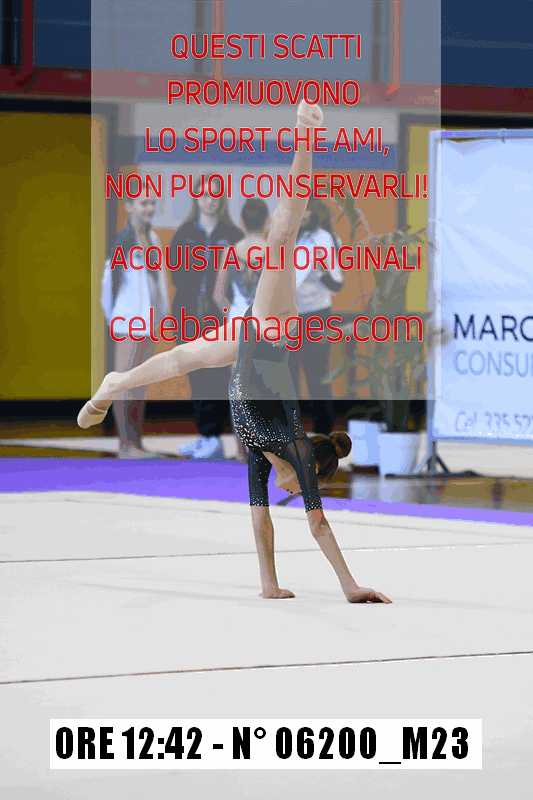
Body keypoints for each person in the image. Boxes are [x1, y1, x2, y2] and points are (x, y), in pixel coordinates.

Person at [78, 102, 391, 605]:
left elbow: (260, 519)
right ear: (307, 469)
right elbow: (319, 526)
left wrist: (269, 584)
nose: (294, 491)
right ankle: (305, 136)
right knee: (283, 236)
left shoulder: (262, 457)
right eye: (300, 486)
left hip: (249, 344)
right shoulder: (294, 449)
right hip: (270, 331)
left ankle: (115, 383)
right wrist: (350, 586)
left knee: (182, 358)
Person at [169, 181, 242, 460]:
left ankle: (217, 435)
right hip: (188, 315)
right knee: (195, 373)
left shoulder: (232, 234)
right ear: (197, 199)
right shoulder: (185, 233)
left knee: (219, 375)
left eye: (216, 196)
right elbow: (176, 274)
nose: (210, 201)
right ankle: (206, 435)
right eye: (205, 195)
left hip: (219, 318)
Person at [101, 194, 169, 458]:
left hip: (148, 321)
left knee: (140, 384)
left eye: (152, 203)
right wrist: (116, 318)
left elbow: (158, 281)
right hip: (127, 322)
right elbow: (109, 285)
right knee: (124, 383)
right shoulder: (123, 242)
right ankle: (125, 444)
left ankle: (137, 442)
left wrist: (161, 314)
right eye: (143, 203)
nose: (149, 208)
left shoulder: (153, 239)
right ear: (129, 207)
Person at [293, 198, 343, 436]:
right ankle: (291, 434)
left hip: (316, 315)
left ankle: (323, 433)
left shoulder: (324, 238)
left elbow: (336, 285)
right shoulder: (289, 235)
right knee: (288, 378)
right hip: (288, 315)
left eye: (306, 211)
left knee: (317, 376)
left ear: (314, 212)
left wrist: (320, 271)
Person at [213, 197, 270, 322]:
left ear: (241, 223)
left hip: (237, 319)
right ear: (267, 222)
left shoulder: (229, 252)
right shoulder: (274, 254)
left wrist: (230, 314)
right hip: (265, 320)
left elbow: (218, 296)